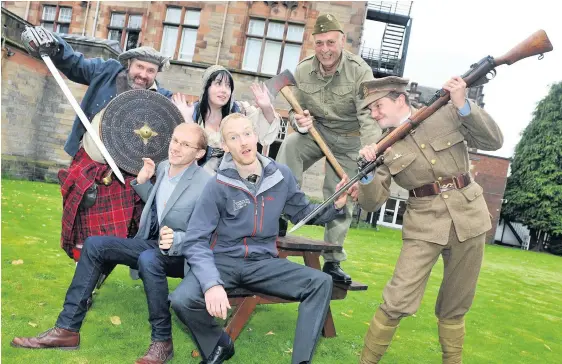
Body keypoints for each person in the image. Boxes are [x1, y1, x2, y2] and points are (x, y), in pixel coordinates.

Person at [11, 123, 211, 364]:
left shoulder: (207, 184)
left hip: (185, 256)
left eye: (185, 144)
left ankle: (162, 342)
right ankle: (67, 330)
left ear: (199, 153)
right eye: (175, 140)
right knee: (95, 245)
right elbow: (165, 208)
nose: (176, 148)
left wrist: (178, 239)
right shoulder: (164, 167)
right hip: (156, 246)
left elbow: (211, 233)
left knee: (148, 258)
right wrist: (143, 182)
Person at [169, 113, 350, 364]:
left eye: (246, 133)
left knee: (320, 282)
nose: (243, 142)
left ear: (256, 136)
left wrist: (336, 206)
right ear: (225, 146)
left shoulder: (281, 177)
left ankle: (301, 362)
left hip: (263, 263)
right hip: (223, 262)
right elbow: (196, 240)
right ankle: (218, 344)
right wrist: (211, 284)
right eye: (234, 137)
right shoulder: (217, 185)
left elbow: (304, 212)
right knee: (181, 299)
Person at [350, 76, 503, 363]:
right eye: (370, 109)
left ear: (399, 99)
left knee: (456, 302)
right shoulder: (380, 146)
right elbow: (371, 204)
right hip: (423, 224)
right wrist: (367, 172)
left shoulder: (445, 111)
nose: (374, 113)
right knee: (396, 299)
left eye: (377, 105)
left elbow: (494, 141)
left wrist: (463, 104)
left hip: (469, 216)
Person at [20, 26, 174, 261]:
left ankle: (96, 270)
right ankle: (86, 271)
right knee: (80, 228)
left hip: (125, 173)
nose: (143, 74)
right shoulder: (107, 71)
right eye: (139, 67)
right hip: (88, 164)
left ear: (157, 73)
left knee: (120, 231)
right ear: (129, 64)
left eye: (150, 70)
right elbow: (74, 63)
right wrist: (54, 44)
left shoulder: (162, 100)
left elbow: (177, 135)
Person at [275, 13, 380, 283]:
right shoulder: (302, 70)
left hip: (350, 139)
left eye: (330, 42)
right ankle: (280, 214)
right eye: (319, 43)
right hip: (316, 131)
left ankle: (332, 261)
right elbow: (293, 109)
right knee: (290, 145)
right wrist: (298, 121)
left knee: (339, 193)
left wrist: (371, 148)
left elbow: (368, 116)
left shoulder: (360, 71)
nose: (325, 50)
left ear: (342, 41)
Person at [171, 65, 281, 174]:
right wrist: (186, 120)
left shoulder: (240, 111)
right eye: (218, 84)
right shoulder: (192, 113)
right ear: (206, 87)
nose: (224, 90)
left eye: (228, 86)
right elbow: (183, 153)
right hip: (198, 181)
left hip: (234, 178)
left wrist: (266, 107)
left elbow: (264, 131)